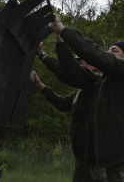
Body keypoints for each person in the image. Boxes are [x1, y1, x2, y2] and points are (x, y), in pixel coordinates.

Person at [51, 14, 124, 182]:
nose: (108, 53)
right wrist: (59, 39)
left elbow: (93, 53)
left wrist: (64, 29)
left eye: (114, 50)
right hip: (103, 159)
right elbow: (73, 70)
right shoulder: (101, 81)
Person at [34, 38, 96, 182]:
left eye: (81, 62)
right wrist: (40, 85)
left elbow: (66, 72)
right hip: (82, 157)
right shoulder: (80, 93)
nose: (78, 65)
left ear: (92, 66)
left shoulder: (96, 84)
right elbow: (62, 103)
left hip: (95, 156)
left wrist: (43, 55)